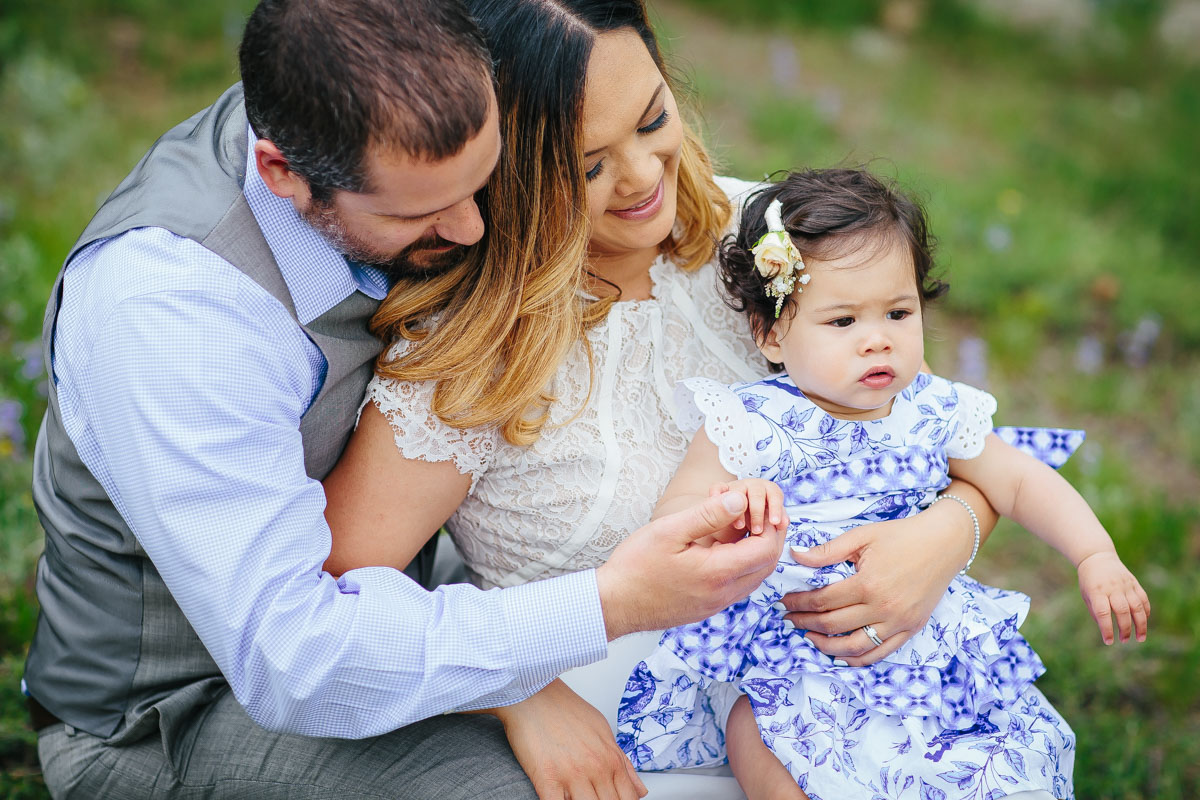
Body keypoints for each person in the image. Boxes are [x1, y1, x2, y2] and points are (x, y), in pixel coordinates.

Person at [22, 1, 789, 797]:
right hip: (186, 702)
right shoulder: (171, 317)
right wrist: (559, 646)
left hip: (399, 594)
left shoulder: (388, 95)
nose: (470, 229)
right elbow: (297, 660)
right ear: (283, 172)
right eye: (418, 212)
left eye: (488, 181)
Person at [323, 3, 1013, 798]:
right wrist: (516, 692)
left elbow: (950, 440)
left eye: (653, 119)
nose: (646, 177)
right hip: (635, 741)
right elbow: (336, 599)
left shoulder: (770, 250)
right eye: (588, 166)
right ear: (500, 168)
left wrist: (944, 537)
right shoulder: (476, 355)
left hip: (864, 694)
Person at [615, 168, 1151, 800]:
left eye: (899, 312)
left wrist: (1096, 554)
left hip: (925, 636)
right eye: (842, 322)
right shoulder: (751, 420)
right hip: (798, 645)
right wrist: (727, 509)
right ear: (772, 333)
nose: (878, 340)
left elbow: (1020, 481)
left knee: (1000, 751)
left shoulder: (931, 407)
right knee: (755, 728)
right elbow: (672, 513)